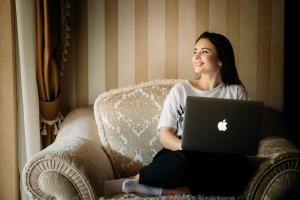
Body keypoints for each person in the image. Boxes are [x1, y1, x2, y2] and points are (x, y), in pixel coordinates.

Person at [103, 31, 254, 197]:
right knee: (182, 162)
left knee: (244, 168)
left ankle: (156, 190)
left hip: (220, 158)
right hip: (183, 153)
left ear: (220, 59)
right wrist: (184, 147)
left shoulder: (236, 92)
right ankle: (136, 179)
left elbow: (245, 134)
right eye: (195, 52)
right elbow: (165, 135)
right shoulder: (182, 89)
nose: (197, 56)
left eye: (204, 52)